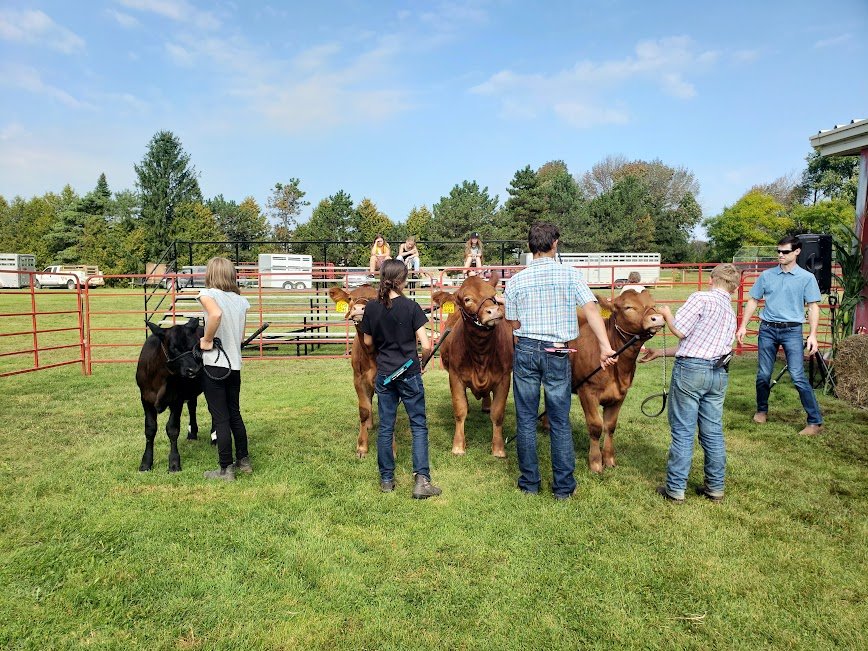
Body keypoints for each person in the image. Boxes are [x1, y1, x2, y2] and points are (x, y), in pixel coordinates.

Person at [504, 222, 617, 500]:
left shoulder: (517, 280)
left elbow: (513, 320)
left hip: (527, 349)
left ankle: (529, 483)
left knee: (526, 419)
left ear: (530, 247)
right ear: (555, 243)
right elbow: (591, 309)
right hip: (557, 351)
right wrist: (605, 347)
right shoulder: (570, 275)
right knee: (559, 420)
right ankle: (563, 488)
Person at [640, 263, 741, 504]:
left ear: (711, 280)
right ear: (734, 288)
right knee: (713, 431)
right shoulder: (729, 310)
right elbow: (698, 344)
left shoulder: (701, 298)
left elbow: (682, 332)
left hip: (691, 372)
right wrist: (660, 352)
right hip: (718, 373)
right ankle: (715, 487)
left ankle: (675, 489)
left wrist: (666, 314)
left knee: (683, 430)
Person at [359, 258, 441, 499]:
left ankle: (386, 479)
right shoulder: (411, 307)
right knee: (418, 425)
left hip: (384, 374)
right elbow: (426, 345)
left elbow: (367, 342)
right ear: (403, 281)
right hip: (409, 373)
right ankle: (422, 481)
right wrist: (421, 362)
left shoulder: (372, 308)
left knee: (386, 427)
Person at [735, 235, 824, 436]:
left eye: (785, 252)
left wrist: (813, 335)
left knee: (798, 376)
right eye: (778, 251)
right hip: (767, 329)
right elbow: (752, 300)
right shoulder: (766, 276)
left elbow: (813, 307)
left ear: (797, 252)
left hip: (792, 331)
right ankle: (761, 410)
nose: (780, 255)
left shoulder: (806, 278)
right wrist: (742, 326)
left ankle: (815, 421)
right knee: (763, 375)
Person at [198, 257, 252, 481]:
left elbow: (216, 315)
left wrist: (207, 339)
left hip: (215, 365)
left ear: (211, 274)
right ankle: (243, 461)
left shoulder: (207, 295)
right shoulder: (242, 301)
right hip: (235, 365)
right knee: (235, 414)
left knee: (220, 417)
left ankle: (224, 469)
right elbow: (239, 338)